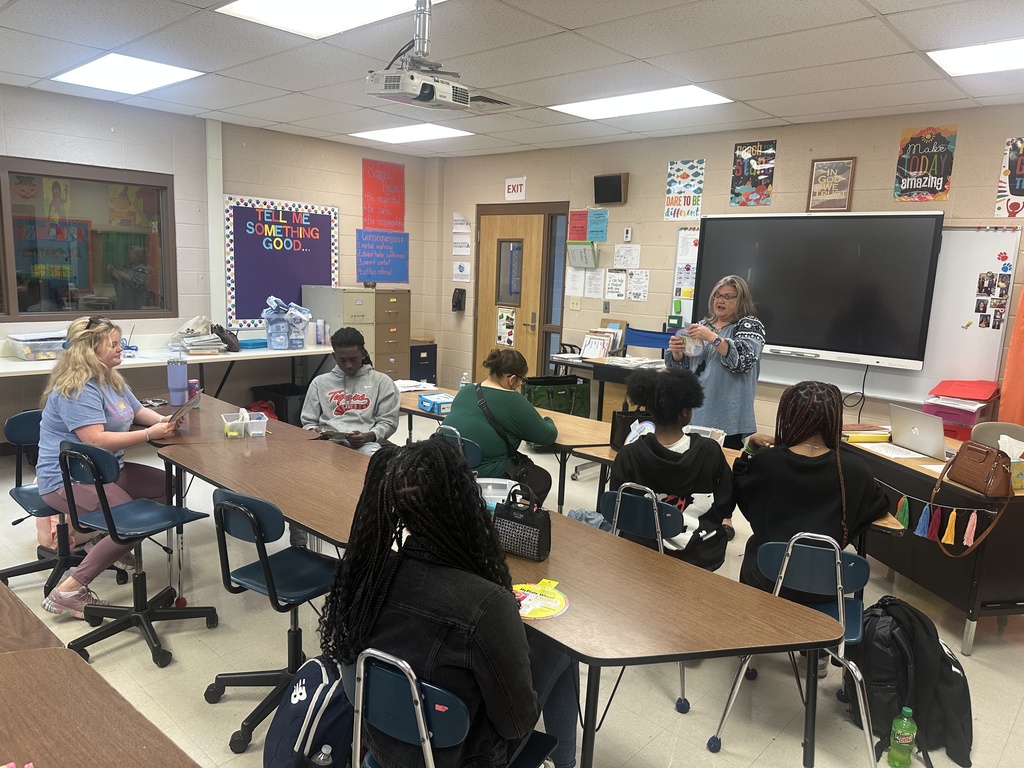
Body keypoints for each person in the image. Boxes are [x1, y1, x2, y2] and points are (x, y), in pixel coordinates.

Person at [319, 438, 578, 768]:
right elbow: (517, 724)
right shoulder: (487, 604)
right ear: (467, 504)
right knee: (560, 651)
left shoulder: (363, 577)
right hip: (464, 760)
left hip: (382, 747)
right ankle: (568, 764)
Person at [36, 316, 183, 619]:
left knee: (168, 487)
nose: (121, 349)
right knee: (129, 521)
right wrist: (148, 435)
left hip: (105, 472)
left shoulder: (110, 378)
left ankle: (101, 545)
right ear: (89, 350)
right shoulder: (76, 388)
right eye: (113, 344)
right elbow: (97, 440)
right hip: (67, 481)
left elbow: (138, 411)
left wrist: (165, 421)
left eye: (120, 343)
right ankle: (69, 590)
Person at [733, 380, 890, 599]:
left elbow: (743, 494)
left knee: (755, 542)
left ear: (788, 417)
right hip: (827, 584)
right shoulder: (854, 469)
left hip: (768, 578)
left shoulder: (766, 461)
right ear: (835, 420)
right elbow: (877, 504)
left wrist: (750, 448)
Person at [666, 274, 765, 539]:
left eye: (728, 296)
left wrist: (713, 337)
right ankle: (690, 513)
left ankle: (725, 519)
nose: (721, 301)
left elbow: (743, 360)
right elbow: (688, 369)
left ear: (740, 299)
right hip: (697, 410)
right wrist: (677, 353)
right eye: (717, 296)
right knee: (694, 466)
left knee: (726, 471)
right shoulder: (703, 325)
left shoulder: (749, 325)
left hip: (729, 413)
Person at [608, 367, 734, 571]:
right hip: (701, 555)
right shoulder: (710, 451)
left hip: (641, 552)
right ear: (685, 413)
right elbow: (725, 505)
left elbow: (618, 507)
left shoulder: (628, 454)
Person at [296, 326, 400, 546]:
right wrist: (315, 432)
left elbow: (388, 422)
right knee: (298, 482)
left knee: (376, 467)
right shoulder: (320, 383)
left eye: (354, 358)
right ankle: (299, 545)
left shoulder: (381, 382)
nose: (349, 365)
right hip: (326, 445)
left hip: (365, 444)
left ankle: (369, 533)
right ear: (334, 356)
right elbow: (307, 421)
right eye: (342, 360)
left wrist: (370, 435)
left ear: (363, 353)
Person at [442, 348, 557, 502]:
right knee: (542, 479)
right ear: (512, 379)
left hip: (449, 467)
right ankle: (513, 521)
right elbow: (547, 436)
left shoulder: (467, 390)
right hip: (484, 472)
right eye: (521, 380)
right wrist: (548, 420)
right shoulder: (513, 400)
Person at [107, 245, 151, 310]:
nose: (130, 256)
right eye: (129, 254)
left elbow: (140, 285)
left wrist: (127, 277)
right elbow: (118, 279)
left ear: (139, 256)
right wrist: (112, 273)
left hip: (134, 304)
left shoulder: (142, 269)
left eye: (132, 254)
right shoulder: (126, 266)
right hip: (122, 302)